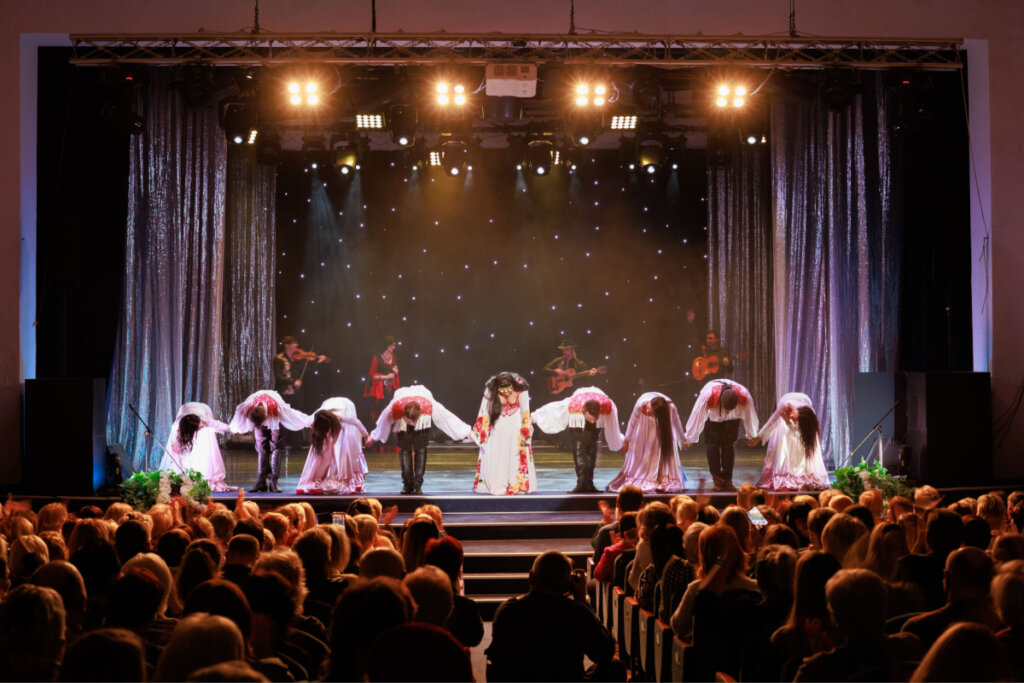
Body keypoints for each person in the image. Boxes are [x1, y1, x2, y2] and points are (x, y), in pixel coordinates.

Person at [487, 550, 619, 682]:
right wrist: (582, 601)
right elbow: (604, 652)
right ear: (568, 585)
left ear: (531, 577)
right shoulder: (576, 612)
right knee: (614, 667)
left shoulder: (508, 610)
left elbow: (495, 662)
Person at [368, 385, 472, 495]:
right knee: (405, 450)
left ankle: (417, 484)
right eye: (410, 421)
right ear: (404, 415)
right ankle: (407, 484)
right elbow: (383, 422)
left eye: (414, 421)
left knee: (420, 449)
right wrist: (373, 437)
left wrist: (466, 431)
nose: (412, 424)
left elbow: (447, 417)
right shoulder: (395, 408)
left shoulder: (428, 406)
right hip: (403, 418)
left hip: (423, 419)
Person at [533, 386, 624, 493]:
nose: (591, 421)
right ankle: (581, 483)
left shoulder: (608, 406)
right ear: (583, 411)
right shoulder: (572, 404)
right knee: (580, 452)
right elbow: (553, 408)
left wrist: (620, 440)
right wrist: (534, 417)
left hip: (596, 405)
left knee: (591, 451)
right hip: (577, 421)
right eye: (589, 419)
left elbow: (613, 425)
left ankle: (589, 483)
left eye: (594, 419)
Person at [684, 379, 759, 491]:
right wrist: (689, 438)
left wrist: (752, 435)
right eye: (726, 409)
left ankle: (728, 480)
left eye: (731, 409)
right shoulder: (708, 395)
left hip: (732, 420)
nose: (727, 412)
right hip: (712, 417)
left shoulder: (744, 396)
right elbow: (697, 416)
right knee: (712, 445)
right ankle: (717, 480)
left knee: (729, 445)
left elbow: (750, 416)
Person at [229, 390, 311, 493]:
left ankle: (273, 482)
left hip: (277, 419)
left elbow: (294, 415)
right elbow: (238, 417)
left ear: (267, 416)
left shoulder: (278, 408)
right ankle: (260, 482)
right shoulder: (247, 407)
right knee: (261, 447)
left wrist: (308, 422)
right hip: (260, 413)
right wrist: (233, 428)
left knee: (276, 447)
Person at [606, 392, 688, 493]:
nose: (647, 411)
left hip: (662, 421)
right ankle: (646, 473)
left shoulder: (671, 408)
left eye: (650, 411)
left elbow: (676, 423)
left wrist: (683, 440)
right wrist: (626, 441)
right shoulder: (641, 405)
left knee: (661, 446)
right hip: (642, 423)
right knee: (647, 449)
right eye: (648, 408)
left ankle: (662, 476)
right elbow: (632, 422)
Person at [471, 372, 537, 495]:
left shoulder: (521, 388)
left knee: (515, 452)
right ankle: (497, 483)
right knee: (496, 452)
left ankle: (517, 483)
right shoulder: (490, 389)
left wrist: (526, 430)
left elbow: (525, 411)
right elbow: (484, 412)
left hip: (515, 424)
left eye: (509, 390)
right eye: (503, 391)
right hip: (498, 423)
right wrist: (482, 433)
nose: (506, 393)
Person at [753, 393, 830, 490]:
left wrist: (789, 422)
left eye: (795, 419)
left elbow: (800, 435)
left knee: (800, 441)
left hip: (803, 409)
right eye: (793, 417)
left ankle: (800, 470)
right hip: (786, 407)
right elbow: (772, 421)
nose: (792, 417)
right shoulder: (785, 406)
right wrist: (758, 437)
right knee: (786, 440)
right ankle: (787, 469)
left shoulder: (809, 416)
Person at [296, 397, 369, 495]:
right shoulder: (314, 419)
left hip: (345, 406)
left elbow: (356, 422)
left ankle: (336, 475)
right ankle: (318, 479)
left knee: (339, 450)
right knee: (323, 454)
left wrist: (366, 436)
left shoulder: (341, 417)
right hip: (325, 416)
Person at [159, 402, 233, 492]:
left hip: (203, 409)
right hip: (185, 409)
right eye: (198, 427)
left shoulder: (205, 421)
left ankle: (204, 474)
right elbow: (174, 442)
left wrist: (232, 429)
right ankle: (182, 476)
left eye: (199, 427)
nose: (200, 427)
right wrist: (176, 445)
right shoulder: (177, 426)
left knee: (205, 439)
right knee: (177, 450)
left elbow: (219, 425)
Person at [364, 335, 400, 430]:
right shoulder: (376, 358)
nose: (394, 347)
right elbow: (372, 375)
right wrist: (386, 377)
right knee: (379, 412)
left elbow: (395, 366)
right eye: (392, 345)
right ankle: (377, 434)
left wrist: (395, 369)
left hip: (390, 388)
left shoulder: (393, 356)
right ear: (386, 345)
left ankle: (388, 436)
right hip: (379, 391)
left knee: (390, 411)